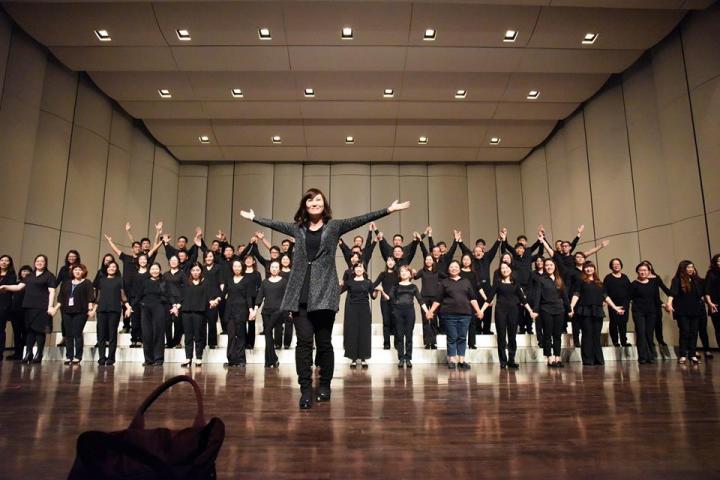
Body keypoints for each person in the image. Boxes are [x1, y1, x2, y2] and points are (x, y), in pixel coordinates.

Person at [240, 188, 410, 409]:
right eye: (310, 200)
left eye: (318, 199)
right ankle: (305, 389)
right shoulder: (297, 228)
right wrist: (254, 218)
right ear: (305, 205)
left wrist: (389, 209)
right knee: (303, 343)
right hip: (300, 293)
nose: (314, 203)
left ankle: (324, 386)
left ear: (324, 204)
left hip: (324, 294)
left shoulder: (334, 226)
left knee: (323, 343)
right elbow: (275, 224)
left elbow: (361, 219)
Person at [479, 262, 537, 369]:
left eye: (506, 268)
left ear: (510, 269)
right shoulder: (497, 282)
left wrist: (530, 311)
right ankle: (503, 361)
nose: (504, 270)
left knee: (512, 336)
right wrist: (481, 310)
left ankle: (511, 360)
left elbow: (523, 300)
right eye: (502, 268)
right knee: (501, 336)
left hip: (513, 311)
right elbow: (489, 298)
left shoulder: (515, 283)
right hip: (500, 311)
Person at [427, 260, 483, 371]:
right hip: (448, 314)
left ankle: (461, 361)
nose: (454, 268)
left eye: (456, 267)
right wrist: (431, 311)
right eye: (451, 267)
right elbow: (438, 299)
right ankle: (452, 360)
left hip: (465, 314)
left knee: (462, 337)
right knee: (452, 337)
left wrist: (478, 310)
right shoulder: (444, 282)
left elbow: (472, 298)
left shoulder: (466, 281)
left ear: (459, 268)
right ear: (448, 269)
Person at [0, 255, 56, 363]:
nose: (39, 263)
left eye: (42, 261)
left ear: (45, 263)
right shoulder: (30, 276)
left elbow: (52, 291)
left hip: (42, 307)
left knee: (40, 332)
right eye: (37, 261)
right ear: (34, 263)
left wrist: (50, 306)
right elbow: (18, 287)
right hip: (28, 306)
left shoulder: (49, 276)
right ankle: (28, 353)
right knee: (29, 331)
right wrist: (5, 287)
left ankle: (39, 354)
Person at [569, 261, 625, 366]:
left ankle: (598, 359)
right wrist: (571, 306)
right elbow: (576, 294)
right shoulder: (581, 281)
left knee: (596, 335)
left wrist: (615, 307)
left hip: (597, 311)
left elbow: (605, 296)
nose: (588, 269)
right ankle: (587, 359)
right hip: (585, 310)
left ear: (594, 269)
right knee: (587, 334)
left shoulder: (599, 282)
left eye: (590, 267)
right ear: (584, 269)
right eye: (586, 267)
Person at [129, 263, 176, 367]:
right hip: (146, 309)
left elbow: (170, 295)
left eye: (157, 269)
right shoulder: (145, 282)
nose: (155, 271)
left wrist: (174, 306)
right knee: (146, 334)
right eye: (153, 269)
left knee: (159, 333)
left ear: (159, 270)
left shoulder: (164, 282)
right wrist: (130, 307)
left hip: (159, 308)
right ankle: (148, 359)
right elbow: (138, 296)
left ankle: (158, 359)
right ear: (149, 271)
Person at [385, 265, 428, 368]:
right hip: (398, 312)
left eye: (405, 271)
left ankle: (408, 358)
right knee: (399, 336)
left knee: (409, 336)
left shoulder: (413, 287)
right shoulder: (395, 286)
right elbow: (389, 298)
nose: (403, 273)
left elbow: (420, 300)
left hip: (409, 312)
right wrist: (381, 291)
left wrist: (427, 311)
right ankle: (400, 358)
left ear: (410, 274)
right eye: (401, 271)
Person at [180, 263, 221, 368]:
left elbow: (210, 296)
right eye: (193, 270)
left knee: (198, 336)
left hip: (200, 313)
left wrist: (213, 301)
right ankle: (188, 358)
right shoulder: (186, 282)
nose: (195, 272)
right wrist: (177, 306)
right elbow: (181, 297)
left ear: (201, 271)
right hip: (186, 312)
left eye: (197, 270)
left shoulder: (205, 283)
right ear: (190, 271)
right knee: (188, 337)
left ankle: (198, 358)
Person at [666, 260, 705, 365]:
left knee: (694, 332)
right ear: (683, 269)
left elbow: (702, 293)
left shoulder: (696, 279)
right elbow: (672, 293)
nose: (691, 269)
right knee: (685, 331)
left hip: (696, 309)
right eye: (688, 267)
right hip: (682, 310)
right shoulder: (677, 280)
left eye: (692, 267)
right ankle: (683, 354)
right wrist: (669, 304)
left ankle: (692, 354)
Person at [532, 258, 569, 368]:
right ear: (544, 267)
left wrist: (569, 309)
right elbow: (537, 296)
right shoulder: (541, 280)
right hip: (546, 309)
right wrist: (535, 310)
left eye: (551, 265)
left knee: (557, 335)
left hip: (559, 309)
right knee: (547, 334)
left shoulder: (559, 279)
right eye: (547, 265)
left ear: (554, 266)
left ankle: (557, 356)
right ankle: (549, 357)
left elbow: (565, 296)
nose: (549, 267)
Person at [341, 263, 378, 369]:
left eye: (360, 267)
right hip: (352, 309)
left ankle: (363, 358)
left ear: (364, 270)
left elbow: (373, 296)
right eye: (356, 267)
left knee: (364, 332)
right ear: (354, 270)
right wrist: (339, 285)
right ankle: (353, 358)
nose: (358, 269)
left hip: (364, 309)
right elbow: (339, 291)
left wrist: (377, 291)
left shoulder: (368, 282)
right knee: (352, 332)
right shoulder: (349, 282)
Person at [93, 261, 130, 366]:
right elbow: (98, 297)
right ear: (106, 268)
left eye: (114, 267)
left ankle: (111, 358)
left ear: (116, 269)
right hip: (102, 310)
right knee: (101, 335)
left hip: (114, 310)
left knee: (112, 334)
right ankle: (101, 357)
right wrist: (93, 309)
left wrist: (128, 306)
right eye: (110, 267)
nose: (111, 268)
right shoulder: (101, 280)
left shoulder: (119, 280)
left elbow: (123, 295)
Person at [253, 260, 288, 368]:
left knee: (267, 331)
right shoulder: (265, 282)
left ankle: (273, 359)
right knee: (268, 335)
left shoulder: (284, 281)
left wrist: (289, 310)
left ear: (279, 269)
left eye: (276, 267)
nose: (274, 269)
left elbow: (287, 297)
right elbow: (260, 297)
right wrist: (255, 310)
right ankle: (269, 361)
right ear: (269, 269)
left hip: (278, 311)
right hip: (266, 311)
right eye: (272, 267)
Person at [629, 263, 663, 364]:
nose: (643, 272)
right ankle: (642, 356)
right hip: (638, 312)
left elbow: (656, 298)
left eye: (645, 270)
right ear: (637, 271)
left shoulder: (653, 283)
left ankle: (651, 355)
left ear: (649, 272)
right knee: (641, 332)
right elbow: (628, 298)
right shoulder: (634, 284)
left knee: (649, 333)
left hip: (651, 312)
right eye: (641, 270)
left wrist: (664, 305)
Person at [223, 260, 254, 368]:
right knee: (231, 335)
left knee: (241, 335)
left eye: (238, 266)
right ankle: (231, 359)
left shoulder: (247, 280)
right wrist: (216, 300)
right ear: (232, 268)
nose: (236, 268)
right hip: (230, 310)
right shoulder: (229, 280)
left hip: (242, 310)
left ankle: (241, 360)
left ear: (242, 267)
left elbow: (249, 297)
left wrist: (251, 310)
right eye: (235, 266)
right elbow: (223, 294)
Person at [603, 258, 632, 347]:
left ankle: (624, 341)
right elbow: (604, 291)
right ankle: (615, 341)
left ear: (621, 265)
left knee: (623, 322)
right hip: (613, 304)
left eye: (618, 264)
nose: (616, 266)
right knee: (614, 322)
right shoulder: (608, 277)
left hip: (625, 303)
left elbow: (629, 291)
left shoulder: (625, 277)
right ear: (611, 266)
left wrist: (626, 304)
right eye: (614, 264)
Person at [414, 255, 441, 349]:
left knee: (433, 320)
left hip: (435, 298)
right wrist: (413, 272)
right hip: (424, 297)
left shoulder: (437, 271)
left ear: (433, 261)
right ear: (425, 261)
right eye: (427, 259)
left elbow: (446, 277)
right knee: (425, 320)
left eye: (430, 259)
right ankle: (426, 342)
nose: (428, 261)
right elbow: (415, 277)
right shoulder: (422, 271)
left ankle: (433, 342)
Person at [372, 257, 399, 350]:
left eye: (392, 260)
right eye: (388, 260)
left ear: (395, 262)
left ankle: (397, 343)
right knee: (386, 322)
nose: (390, 262)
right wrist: (377, 289)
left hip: (396, 301)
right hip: (384, 301)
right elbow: (374, 284)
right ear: (386, 262)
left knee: (396, 322)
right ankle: (386, 343)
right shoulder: (383, 274)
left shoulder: (398, 274)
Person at [5, 265, 31, 360]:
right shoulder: (16, 284)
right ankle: (17, 353)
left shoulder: (31, 284)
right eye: (23, 271)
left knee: (25, 333)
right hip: (15, 312)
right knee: (16, 333)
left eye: (27, 271)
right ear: (20, 273)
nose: (25, 273)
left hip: (26, 312)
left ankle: (24, 353)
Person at [0, 255, 17, 362]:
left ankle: (0, 352)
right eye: (2, 260)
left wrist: (4, 288)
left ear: (9, 263)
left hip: (3, 305)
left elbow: (10, 289)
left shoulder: (11, 275)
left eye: (7, 261)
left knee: (0, 329)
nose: (4, 262)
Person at [704, 254, 720, 359]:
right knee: (719, 328)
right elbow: (707, 291)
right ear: (715, 262)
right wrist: (710, 303)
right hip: (716, 304)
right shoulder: (711, 274)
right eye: (719, 261)